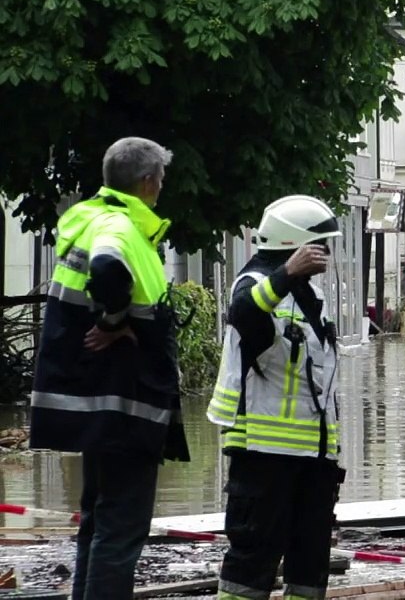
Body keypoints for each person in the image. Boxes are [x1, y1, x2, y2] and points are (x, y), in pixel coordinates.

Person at [29, 137, 190, 600]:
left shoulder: (88, 217)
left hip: (95, 403)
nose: (161, 188)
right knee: (121, 528)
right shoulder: (120, 227)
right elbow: (106, 267)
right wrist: (114, 321)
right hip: (125, 404)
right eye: (159, 179)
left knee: (97, 520)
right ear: (146, 182)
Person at [206, 195, 347, 600]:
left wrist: (331, 452)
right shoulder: (257, 284)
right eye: (321, 244)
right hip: (264, 454)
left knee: (310, 566)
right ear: (296, 245)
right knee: (251, 564)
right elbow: (244, 314)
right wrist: (286, 273)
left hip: (313, 457)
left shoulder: (308, 297)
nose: (327, 253)